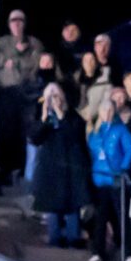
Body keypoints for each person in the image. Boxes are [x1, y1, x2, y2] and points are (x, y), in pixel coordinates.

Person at [30, 83, 88, 247]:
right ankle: (54, 240)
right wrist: (43, 118)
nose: (53, 100)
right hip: (50, 169)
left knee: (71, 206)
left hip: (70, 168)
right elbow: (35, 138)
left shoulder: (72, 116)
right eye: (49, 97)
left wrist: (61, 115)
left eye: (56, 96)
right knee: (52, 206)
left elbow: (75, 135)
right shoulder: (44, 117)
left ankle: (73, 239)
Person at [86, 99, 131, 261]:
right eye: (104, 110)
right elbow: (92, 152)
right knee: (100, 218)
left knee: (122, 215)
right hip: (100, 179)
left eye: (110, 110)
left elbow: (130, 150)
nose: (107, 114)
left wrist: (123, 167)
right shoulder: (96, 131)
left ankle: (129, 252)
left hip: (116, 178)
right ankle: (98, 251)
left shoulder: (120, 129)